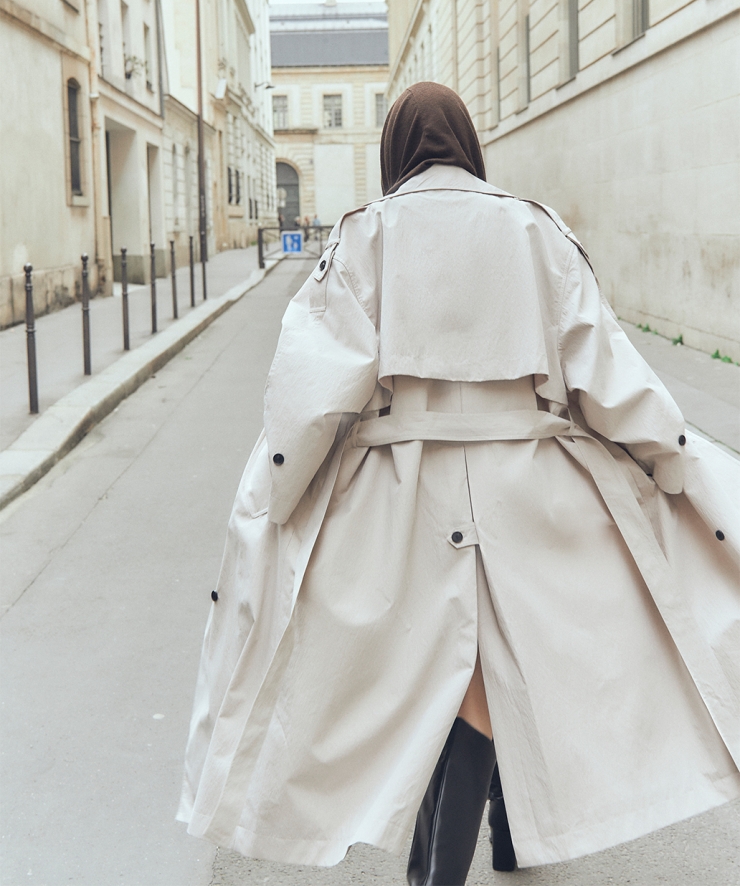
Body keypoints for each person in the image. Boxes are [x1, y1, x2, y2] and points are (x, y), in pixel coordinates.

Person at [178, 82, 739, 885]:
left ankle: (439, 873)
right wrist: (672, 459)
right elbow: (605, 367)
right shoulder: (534, 228)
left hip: (399, 497)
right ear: (469, 144)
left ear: (396, 150)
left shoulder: (366, 236)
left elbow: (312, 390)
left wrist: (278, 491)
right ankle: (507, 836)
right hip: (537, 490)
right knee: (507, 656)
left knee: (441, 666)